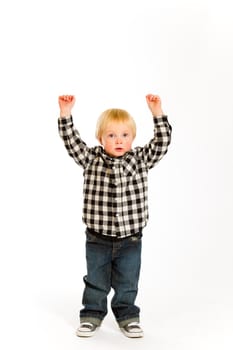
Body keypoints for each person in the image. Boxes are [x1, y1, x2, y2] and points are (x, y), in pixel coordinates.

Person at [58, 94, 172, 338]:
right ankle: (92, 314)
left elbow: (162, 142)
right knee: (96, 280)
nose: (118, 140)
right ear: (101, 139)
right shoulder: (91, 159)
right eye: (111, 135)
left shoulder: (140, 159)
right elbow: (71, 142)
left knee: (127, 282)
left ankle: (127, 315)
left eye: (124, 135)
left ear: (132, 138)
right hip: (98, 237)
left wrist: (157, 112)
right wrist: (66, 114)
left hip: (131, 238)